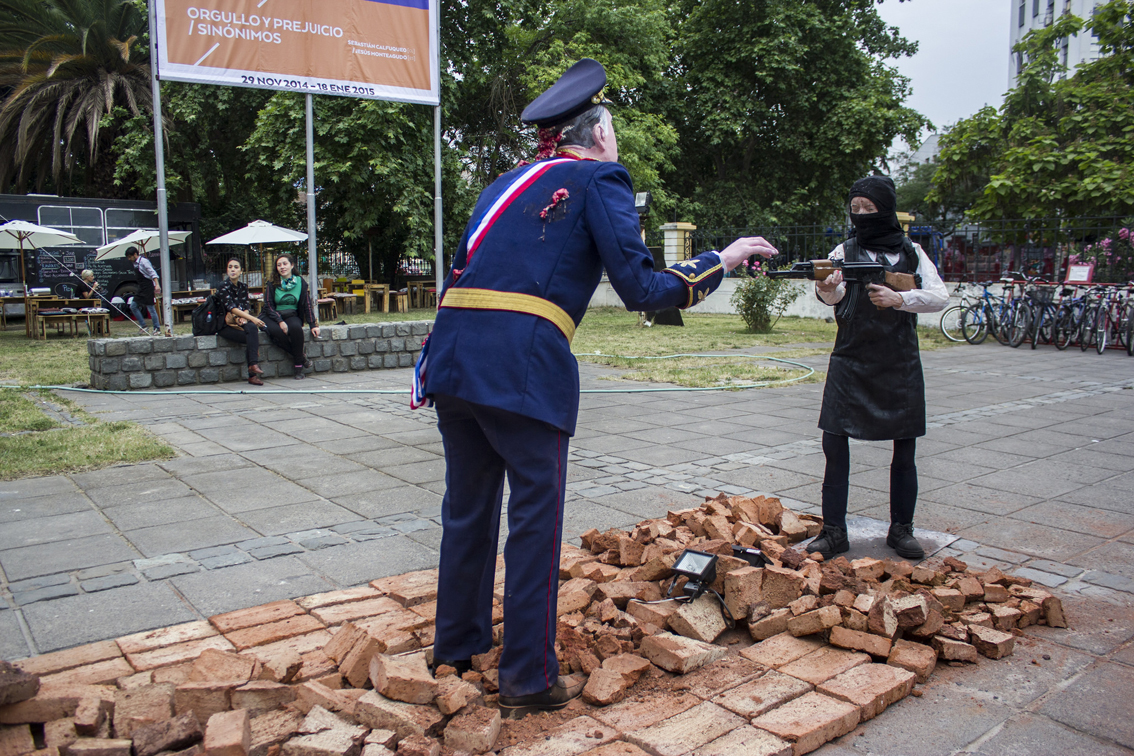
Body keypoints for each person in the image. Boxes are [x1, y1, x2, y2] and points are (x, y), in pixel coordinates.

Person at [418, 59, 778, 719]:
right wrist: (719, 261)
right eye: (615, 128)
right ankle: (526, 676)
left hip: (454, 361)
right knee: (532, 525)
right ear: (601, 131)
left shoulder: (504, 184)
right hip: (523, 371)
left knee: (467, 512)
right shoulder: (597, 178)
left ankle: (457, 645)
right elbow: (642, 288)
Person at [807, 176, 949, 561]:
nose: (861, 216)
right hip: (850, 360)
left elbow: (939, 296)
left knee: (905, 448)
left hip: (898, 361)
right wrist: (827, 287)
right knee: (833, 443)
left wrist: (899, 298)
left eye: (869, 209)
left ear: (885, 209)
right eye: (855, 209)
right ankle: (834, 530)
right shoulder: (844, 249)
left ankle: (901, 529)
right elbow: (832, 294)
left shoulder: (912, 251)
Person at [261, 253, 320, 379]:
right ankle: (301, 357)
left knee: (295, 329)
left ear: (292, 265)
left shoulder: (300, 282)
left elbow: (307, 304)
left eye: (285, 264)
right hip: (272, 316)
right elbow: (268, 305)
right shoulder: (272, 283)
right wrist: (280, 321)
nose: (282, 267)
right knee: (277, 332)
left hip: (291, 314)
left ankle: (298, 367)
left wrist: (313, 325)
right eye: (279, 265)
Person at [216, 258, 267, 386]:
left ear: (241, 271)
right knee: (252, 336)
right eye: (230, 267)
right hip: (225, 325)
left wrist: (245, 316)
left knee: (251, 330)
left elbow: (246, 306)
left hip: (240, 322)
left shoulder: (243, 287)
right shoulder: (223, 286)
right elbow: (231, 307)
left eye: (236, 267)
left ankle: (252, 367)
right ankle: (252, 372)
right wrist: (253, 318)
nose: (233, 270)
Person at [124, 246, 162, 335]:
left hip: (148, 286)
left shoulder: (144, 262)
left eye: (130, 257)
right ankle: (144, 326)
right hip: (141, 287)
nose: (129, 259)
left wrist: (157, 285)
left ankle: (157, 328)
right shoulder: (135, 263)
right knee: (133, 306)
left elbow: (153, 273)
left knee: (151, 308)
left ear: (135, 254)